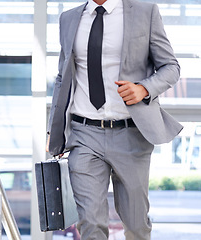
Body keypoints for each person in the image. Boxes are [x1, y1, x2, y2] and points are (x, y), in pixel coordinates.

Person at [46, 0, 183, 239]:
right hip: (84, 133)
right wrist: (54, 131)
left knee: (136, 224)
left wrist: (144, 88)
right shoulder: (68, 18)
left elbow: (170, 67)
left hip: (131, 133)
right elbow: (62, 77)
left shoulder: (145, 12)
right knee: (90, 222)